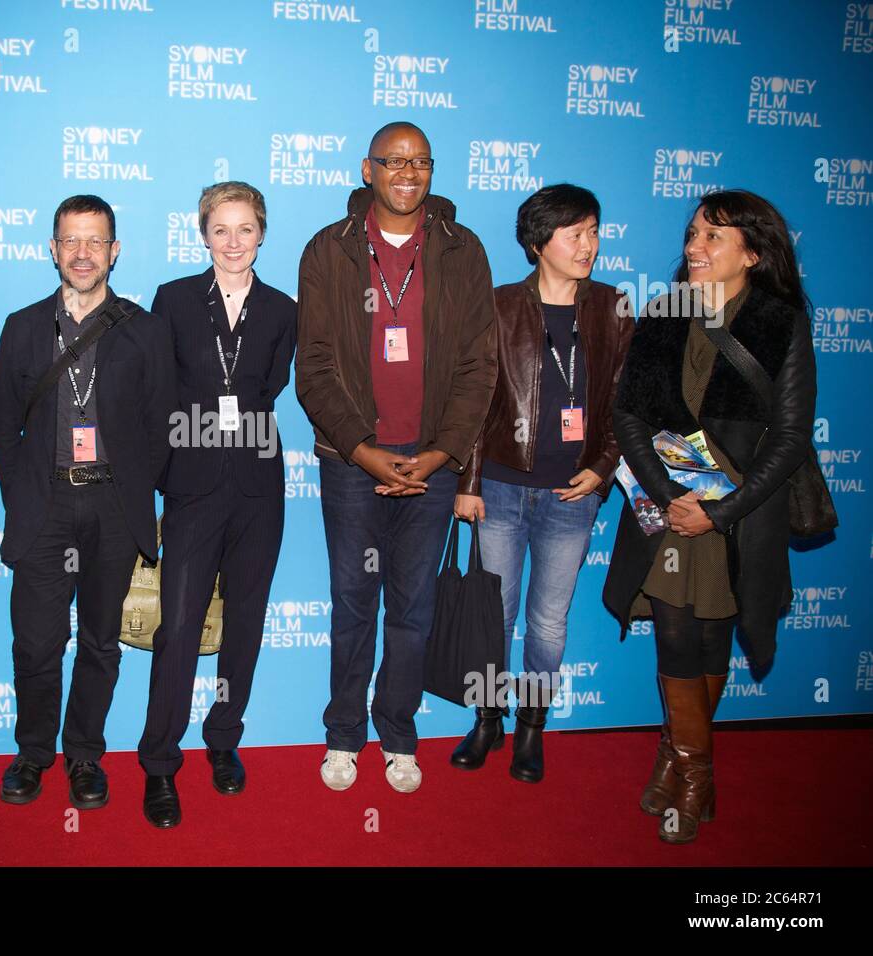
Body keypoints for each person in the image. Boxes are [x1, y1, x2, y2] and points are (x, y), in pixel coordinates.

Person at [602, 190, 817, 844]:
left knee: (713, 634)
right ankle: (695, 771)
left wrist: (720, 512)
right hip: (667, 504)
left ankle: (681, 758)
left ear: (753, 253)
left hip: (737, 516)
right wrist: (669, 494)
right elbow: (628, 414)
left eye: (713, 238)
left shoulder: (780, 324)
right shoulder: (667, 312)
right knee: (673, 630)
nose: (694, 248)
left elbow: (789, 439)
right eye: (693, 234)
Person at [295, 121, 498, 793]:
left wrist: (443, 453)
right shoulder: (329, 250)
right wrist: (362, 450)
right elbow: (315, 367)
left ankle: (399, 734)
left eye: (420, 162)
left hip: (433, 460)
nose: (407, 173)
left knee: (413, 609)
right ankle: (344, 734)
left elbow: (478, 366)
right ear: (367, 169)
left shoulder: (463, 252)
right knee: (354, 602)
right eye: (393, 161)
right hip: (354, 461)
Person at [0, 194, 176, 811]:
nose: (83, 253)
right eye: (71, 240)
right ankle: (34, 752)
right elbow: (0, 425)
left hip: (114, 513)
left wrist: (138, 496)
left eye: (96, 241)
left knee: (100, 641)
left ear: (114, 250)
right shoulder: (21, 327)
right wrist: (22, 495)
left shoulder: (144, 329)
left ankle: (85, 754)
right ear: (53, 249)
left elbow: (161, 426)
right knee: (37, 643)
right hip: (44, 510)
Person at [452, 184, 634, 782]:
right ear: (538, 243)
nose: (589, 244)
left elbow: (623, 406)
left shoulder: (614, 307)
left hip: (572, 495)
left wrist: (604, 467)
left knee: (549, 622)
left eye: (593, 231)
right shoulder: (498, 306)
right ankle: (487, 720)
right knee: (495, 616)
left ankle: (533, 728)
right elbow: (475, 402)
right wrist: (469, 481)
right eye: (574, 233)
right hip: (501, 487)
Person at [137, 182, 297, 828]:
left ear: (262, 233)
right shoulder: (172, 301)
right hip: (192, 487)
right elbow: (157, 388)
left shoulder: (283, 310)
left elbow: (271, 386)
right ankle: (159, 763)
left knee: (245, 625)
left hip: (259, 488)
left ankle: (224, 737)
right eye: (220, 229)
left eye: (245, 229)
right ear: (203, 234)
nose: (233, 242)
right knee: (177, 627)